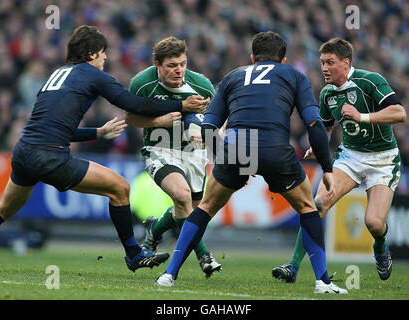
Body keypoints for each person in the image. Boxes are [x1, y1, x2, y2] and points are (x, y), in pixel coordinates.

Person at [0, 25, 208, 273]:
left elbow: (53, 126)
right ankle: (133, 254)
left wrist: (97, 133)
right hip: (48, 155)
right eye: (102, 52)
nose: (106, 57)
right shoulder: (92, 74)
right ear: (91, 54)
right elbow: (133, 103)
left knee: (4, 209)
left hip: (24, 152)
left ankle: (134, 253)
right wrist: (181, 104)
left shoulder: (59, 73)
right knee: (120, 188)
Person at [154, 31, 348, 294]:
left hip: (235, 147)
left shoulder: (233, 76)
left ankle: (169, 275)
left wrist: (225, 158)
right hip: (275, 148)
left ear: (253, 57)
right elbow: (314, 124)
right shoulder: (294, 75)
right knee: (307, 208)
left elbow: (209, 124)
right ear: (284, 59)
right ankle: (323, 281)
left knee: (205, 208)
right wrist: (326, 168)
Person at [272, 38, 406, 283]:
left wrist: (362, 116)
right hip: (350, 157)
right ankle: (292, 266)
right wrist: (318, 143)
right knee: (318, 203)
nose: (324, 68)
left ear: (345, 63)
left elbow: (399, 113)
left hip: (383, 160)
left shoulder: (370, 81)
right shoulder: (327, 93)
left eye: (330, 62)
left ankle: (380, 245)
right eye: (322, 62)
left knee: (374, 223)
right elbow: (327, 126)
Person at [125, 36, 222, 277]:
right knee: (182, 195)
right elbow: (130, 118)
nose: (179, 70)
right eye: (171, 65)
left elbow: (214, 121)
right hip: (159, 150)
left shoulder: (201, 86)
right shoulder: (142, 83)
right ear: (157, 64)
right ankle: (204, 255)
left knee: (191, 211)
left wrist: (208, 136)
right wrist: (158, 121)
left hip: (194, 154)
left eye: (183, 64)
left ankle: (154, 229)